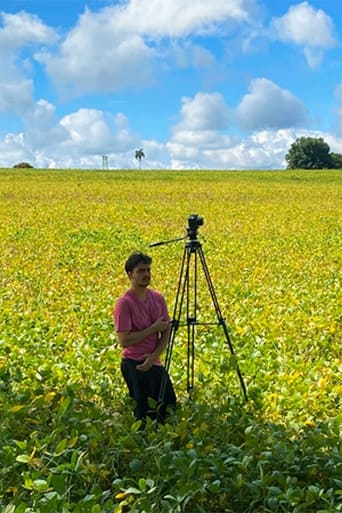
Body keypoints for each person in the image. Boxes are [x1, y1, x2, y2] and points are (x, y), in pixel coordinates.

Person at [113, 252, 176, 423]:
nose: (146, 274)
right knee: (144, 415)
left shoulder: (157, 298)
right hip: (134, 364)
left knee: (169, 408)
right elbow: (124, 341)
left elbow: (167, 330)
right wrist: (153, 328)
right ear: (130, 274)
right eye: (141, 271)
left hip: (154, 361)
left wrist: (154, 357)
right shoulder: (124, 304)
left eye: (148, 270)